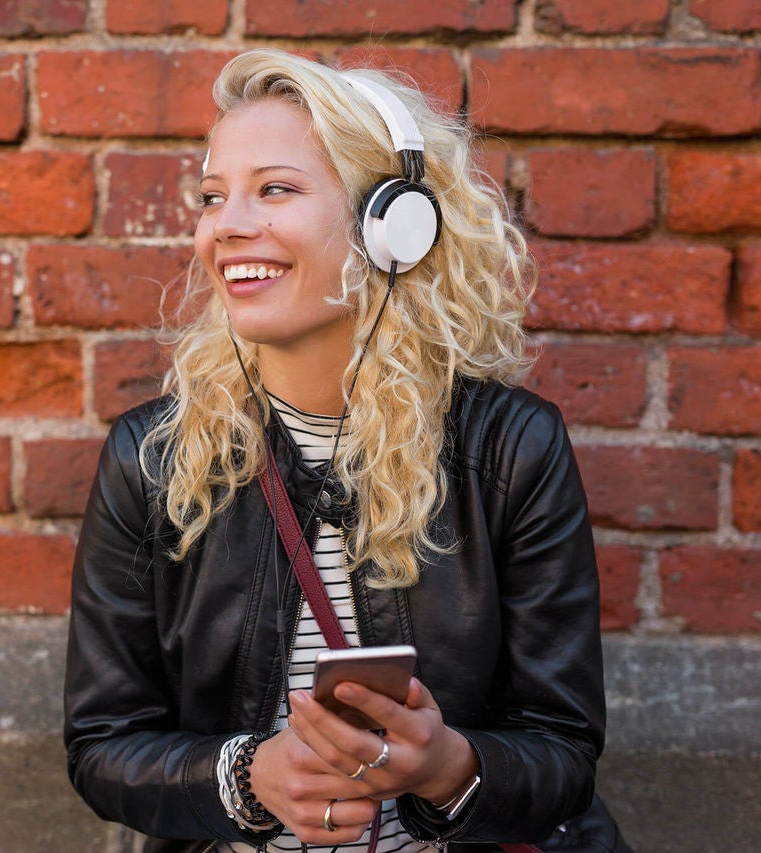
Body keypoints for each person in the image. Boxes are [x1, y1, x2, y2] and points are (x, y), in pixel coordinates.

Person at [64, 49, 625, 852]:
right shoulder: (151, 457)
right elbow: (102, 743)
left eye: (276, 189)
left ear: (392, 223)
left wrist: (447, 764)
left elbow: (562, 750)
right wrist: (249, 776)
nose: (226, 224)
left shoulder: (511, 450)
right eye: (213, 196)